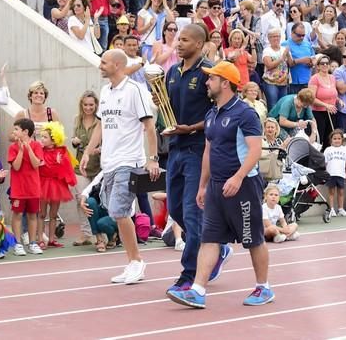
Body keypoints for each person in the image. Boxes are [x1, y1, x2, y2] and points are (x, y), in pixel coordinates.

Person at [167, 61, 272, 308]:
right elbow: (207, 151)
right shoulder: (212, 113)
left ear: (225, 83)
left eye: (211, 78)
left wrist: (237, 177)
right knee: (209, 237)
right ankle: (197, 290)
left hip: (243, 186)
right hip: (215, 187)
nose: (206, 82)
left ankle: (263, 288)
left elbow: (256, 150)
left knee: (253, 238)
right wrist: (202, 186)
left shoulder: (245, 113)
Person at [162, 24, 232, 293]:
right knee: (176, 211)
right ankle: (217, 249)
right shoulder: (171, 72)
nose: (179, 44)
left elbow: (221, 112)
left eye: (186, 40)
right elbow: (167, 108)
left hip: (198, 150)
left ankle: (189, 274)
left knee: (192, 214)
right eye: (178, 39)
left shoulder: (209, 73)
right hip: (175, 148)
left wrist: (191, 128)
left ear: (200, 44)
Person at [80, 49, 160, 285]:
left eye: (104, 62)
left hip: (129, 161)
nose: (100, 65)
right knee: (118, 211)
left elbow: (149, 126)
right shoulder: (105, 91)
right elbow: (101, 125)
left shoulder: (135, 90)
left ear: (117, 64)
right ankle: (132, 262)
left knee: (118, 210)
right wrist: (87, 151)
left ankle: (136, 261)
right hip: (109, 163)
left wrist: (152, 158)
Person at [9, 118, 44, 256]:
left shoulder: (36, 146)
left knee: (32, 215)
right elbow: (16, 166)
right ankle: (17, 243)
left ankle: (32, 243)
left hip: (33, 188)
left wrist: (28, 148)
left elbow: (36, 164)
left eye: (16, 129)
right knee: (17, 215)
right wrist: (21, 150)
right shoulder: (12, 147)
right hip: (18, 189)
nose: (14, 132)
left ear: (25, 132)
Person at [38, 121, 76, 249]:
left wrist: (61, 164)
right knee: (42, 214)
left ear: (54, 140)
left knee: (53, 214)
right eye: (41, 136)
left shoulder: (61, 152)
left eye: (45, 137)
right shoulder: (39, 151)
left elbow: (66, 168)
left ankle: (51, 239)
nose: (42, 139)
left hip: (56, 184)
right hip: (42, 183)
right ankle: (40, 239)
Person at [71, 90, 100, 246]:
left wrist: (99, 149)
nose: (88, 108)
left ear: (96, 105)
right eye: (85, 105)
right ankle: (85, 234)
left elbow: (107, 143)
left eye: (91, 105)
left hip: (98, 167)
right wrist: (74, 141)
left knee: (96, 201)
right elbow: (75, 140)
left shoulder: (100, 121)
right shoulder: (77, 120)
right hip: (80, 166)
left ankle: (99, 233)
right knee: (79, 199)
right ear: (81, 105)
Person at [308, 55, 339, 149]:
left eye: (327, 63)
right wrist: (326, 105)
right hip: (319, 112)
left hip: (331, 111)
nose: (325, 65)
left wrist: (339, 100)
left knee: (329, 138)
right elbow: (311, 98)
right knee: (320, 138)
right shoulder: (314, 78)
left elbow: (332, 94)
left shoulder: (332, 78)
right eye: (322, 63)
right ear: (318, 66)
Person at [324, 129, 346, 217]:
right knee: (331, 192)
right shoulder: (328, 150)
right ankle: (331, 209)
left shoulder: (345, 150)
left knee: (341, 192)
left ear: (342, 139)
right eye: (335, 138)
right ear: (331, 140)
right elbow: (325, 163)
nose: (337, 140)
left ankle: (340, 209)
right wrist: (324, 173)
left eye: (339, 138)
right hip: (331, 174)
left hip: (341, 174)